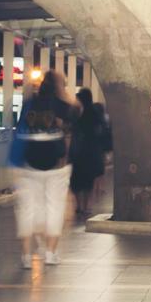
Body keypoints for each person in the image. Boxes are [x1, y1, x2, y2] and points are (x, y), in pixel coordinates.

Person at [11, 68, 80, 267]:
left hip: (29, 164)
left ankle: (25, 256)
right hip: (56, 166)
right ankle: (50, 253)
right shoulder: (62, 105)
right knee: (54, 207)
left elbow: (19, 129)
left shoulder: (29, 104)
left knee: (27, 209)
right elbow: (77, 112)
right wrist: (64, 93)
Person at [68, 87, 109, 218]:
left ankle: (81, 206)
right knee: (87, 181)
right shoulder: (93, 113)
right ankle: (85, 206)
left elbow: (73, 129)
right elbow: (101, 131)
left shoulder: (78, 113)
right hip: (90, 152)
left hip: (81, 152)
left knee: (78, 181)